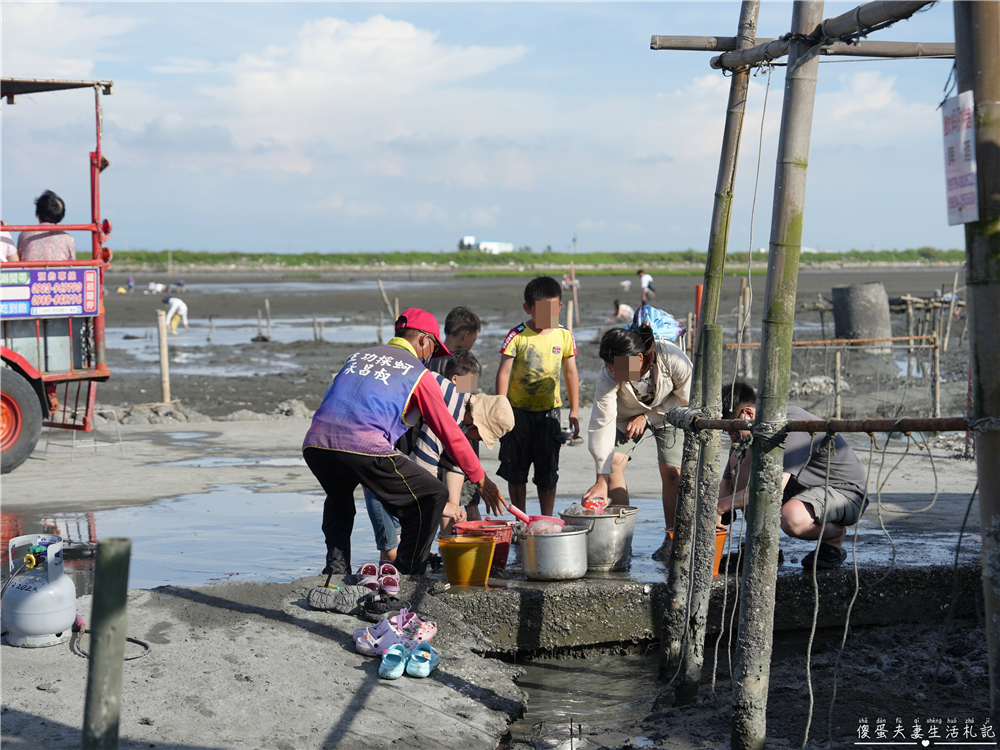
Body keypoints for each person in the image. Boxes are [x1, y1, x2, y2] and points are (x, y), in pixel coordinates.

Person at [302, 308, 506, 576]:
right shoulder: (418, 373)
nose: (431, 356)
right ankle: (406, 573)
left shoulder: (359, 356)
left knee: (339, 503)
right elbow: (448, 430)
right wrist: (480, 478)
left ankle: (335, 572)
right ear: (423, 340)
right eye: (432, 348)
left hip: (316, 443)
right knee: (433, 495)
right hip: (363, 445)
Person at [716, 379, 869, 569]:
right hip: (800, 487)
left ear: (747, 413)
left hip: (844, 493)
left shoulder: (791, 423)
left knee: (791, 519)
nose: (728, 433)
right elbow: (729, 480)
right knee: (741, 460)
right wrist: (717, 517)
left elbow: (770, 488)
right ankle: (762, 542)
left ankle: (835, 537)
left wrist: (721, 506)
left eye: (730, 428)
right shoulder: (746, 430)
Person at [582, 322, 693, 560]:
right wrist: (600, 478)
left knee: (672, 471)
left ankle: (671, 538)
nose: (614, 373)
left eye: (618, 368)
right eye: (609, 368)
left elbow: (687, 398)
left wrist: (648, 416)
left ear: (639, 358)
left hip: (669, 412)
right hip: (626, 416)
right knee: (612, 467)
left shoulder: (672, 357)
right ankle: (621, 542)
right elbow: (602, 423)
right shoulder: (608, 375)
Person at [496, 276, 580, 517]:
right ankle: (521, 518)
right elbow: (504, 372)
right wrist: (501, 406)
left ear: (560, 307)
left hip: (549, 413)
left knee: (547, 470)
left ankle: (546, 519)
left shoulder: (564, 335)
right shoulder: (517, 335)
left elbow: (571, 371)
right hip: (517, 412)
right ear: (528, 308)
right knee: (516, 469)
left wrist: (574, 410)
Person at [17, 191, 75, 261]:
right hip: (58, 272)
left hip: (31, 272)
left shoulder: (25, 235)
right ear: (61, 215)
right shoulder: (68, 239)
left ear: (38, 214)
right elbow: (72, 265)